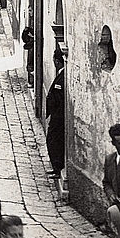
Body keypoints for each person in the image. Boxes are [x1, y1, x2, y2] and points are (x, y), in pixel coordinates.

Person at [45, 50, 65, 178]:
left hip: (58, 118)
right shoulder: (61, 74)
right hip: (56, 116)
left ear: (57, 61)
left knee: (53, 141)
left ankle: (57, 169)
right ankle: (55, 168)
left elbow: (59, 99)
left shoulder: (62, 77)